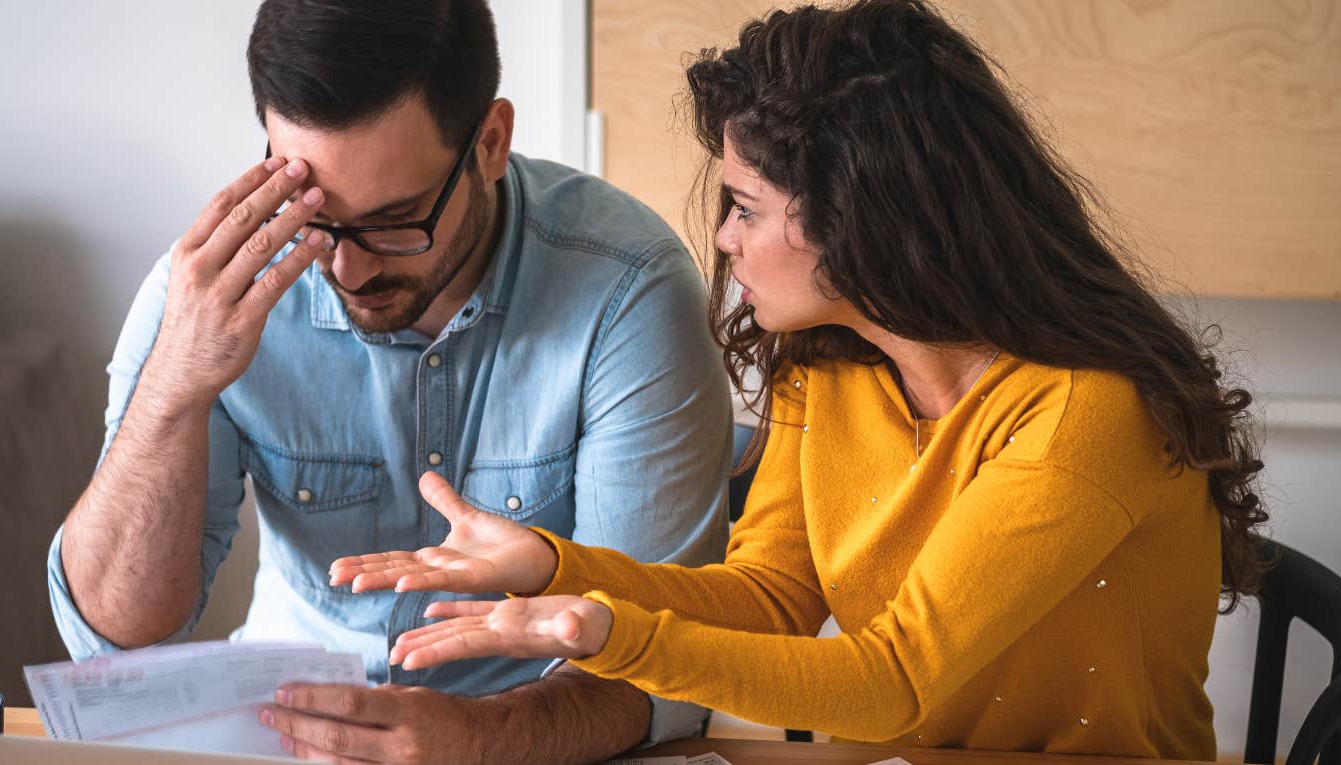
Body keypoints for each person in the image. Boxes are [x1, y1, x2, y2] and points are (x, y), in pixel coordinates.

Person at [329, 0, 1271, 759]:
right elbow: (773, 599)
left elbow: (891, 679)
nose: (725, 237)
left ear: (861, 219)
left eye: (744, 206)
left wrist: (603, 632)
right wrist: (551, 564)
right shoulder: (829, 365)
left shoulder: (1084, 413)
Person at [47, 1, 732, 762]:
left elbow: (663, 669)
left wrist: (474, 738)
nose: (348, 268)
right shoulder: (206, 291)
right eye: (313, 213)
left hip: (533, 744)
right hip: (280, 737)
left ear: (491, 143)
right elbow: (112, 638)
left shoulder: (629, 292)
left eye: (396, 220)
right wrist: (175, 385)